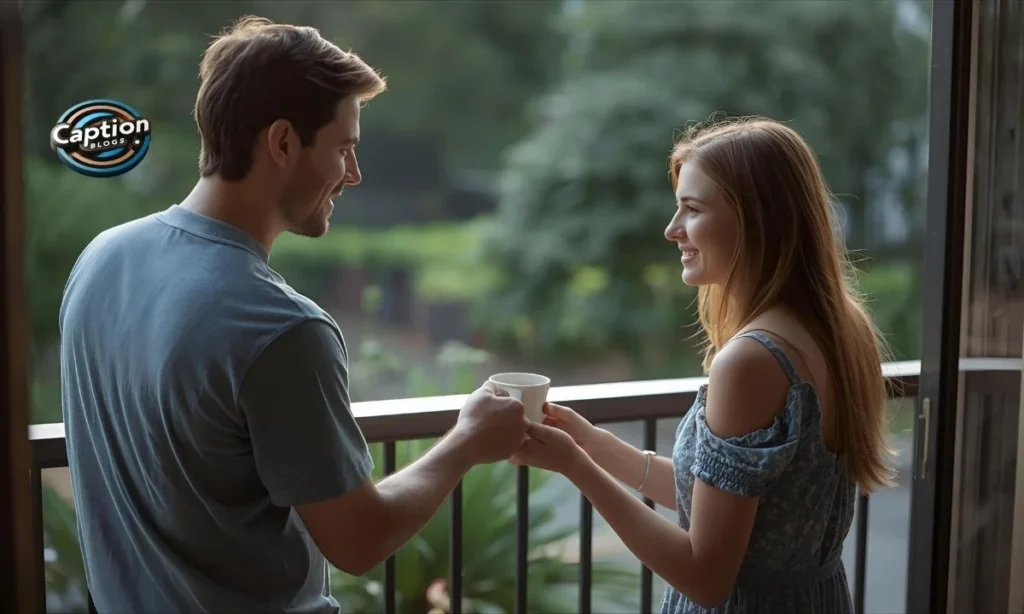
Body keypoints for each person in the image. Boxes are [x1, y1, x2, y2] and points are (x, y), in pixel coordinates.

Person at [59, 16, 529, 614]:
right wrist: (468, 440)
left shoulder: (101, 259)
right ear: (282, 142)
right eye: (344, 148)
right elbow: (358, 539)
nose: (352, 175)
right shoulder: (279, 327)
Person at [510, 117, 894, 613]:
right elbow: (732, 509)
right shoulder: (842, 327)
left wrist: (573, 466)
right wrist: (593, 444)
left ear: (757, 217)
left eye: (691, 209)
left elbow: (705, 575)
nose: (672, 231)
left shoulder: (751, 361)